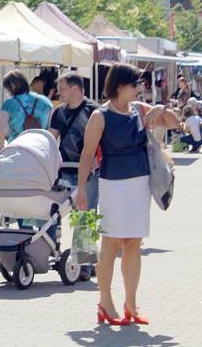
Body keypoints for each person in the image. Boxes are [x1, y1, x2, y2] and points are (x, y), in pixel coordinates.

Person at [76, 63, 179, 325]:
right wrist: (81, 192)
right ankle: (105, 302)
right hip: (113, 185)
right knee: (110, 244)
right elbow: (87, 156)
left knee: (134, 244)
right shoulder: (100, 116)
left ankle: (131, 304)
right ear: (120, 86)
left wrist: (159, 110)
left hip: (139, 185)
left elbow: (175, 123)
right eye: (136, 85)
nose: (139, 89)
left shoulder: (138, 109)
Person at [47, 72, 100, 281]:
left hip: (91, 171)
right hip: (66, 169)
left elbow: (104, 139)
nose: (58, 92)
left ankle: (85, 264)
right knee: (59, 212)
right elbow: (51, 139)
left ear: (75, 89)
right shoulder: (58, 113)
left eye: (62, 88)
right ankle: (65, 254)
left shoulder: (94, 111)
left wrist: (98, 159)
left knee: (85, 214)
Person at [0, 70, 54, 149]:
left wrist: (1, 151)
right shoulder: (45, 101)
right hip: (40, 147)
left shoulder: (9, 103)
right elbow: (52, 128)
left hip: (16, 147)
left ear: (11, 86)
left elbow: (0, 130)